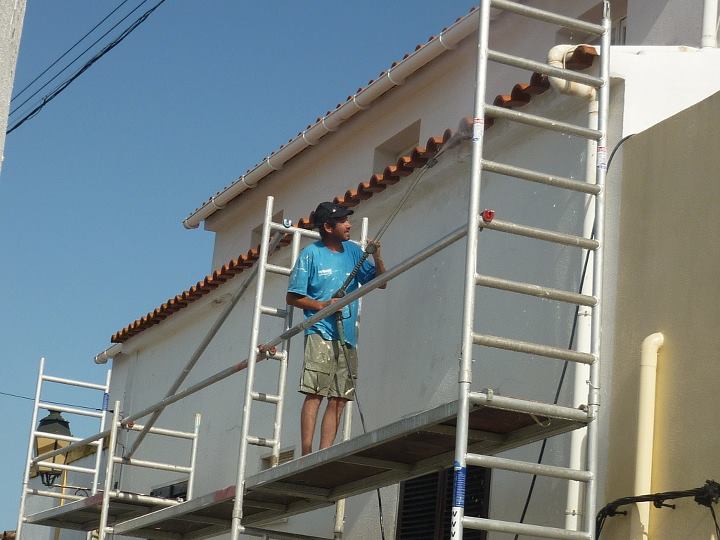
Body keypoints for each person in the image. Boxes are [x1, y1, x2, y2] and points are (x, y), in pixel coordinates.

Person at [286, 202, 386, 455]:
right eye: (343, 221)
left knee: (340, 397)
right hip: (320, 331)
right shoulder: (311, 254)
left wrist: (377, 256)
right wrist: (322, 305)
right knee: (315, 392)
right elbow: (293, 297)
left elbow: (381, 282)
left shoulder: (353, 251)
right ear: (328, 227)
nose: (349, 225)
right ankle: (307, 453)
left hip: (347, 336)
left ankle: (324, 452)